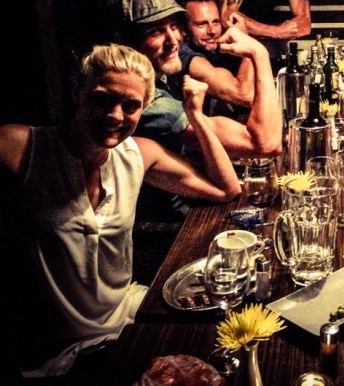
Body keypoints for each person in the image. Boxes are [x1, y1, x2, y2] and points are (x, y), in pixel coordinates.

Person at [0, 43, 240, 378]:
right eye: (102, 99)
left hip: (126, 316)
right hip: (50, 354)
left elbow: (227, 188)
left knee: (230, 342)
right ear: (77, 92)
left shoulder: (137, 154)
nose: (115, 115)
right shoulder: (21, 147)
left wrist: (196, 115)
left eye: (131, 106)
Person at [109, 0, 282, 159]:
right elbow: (264, 144)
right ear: (124, 42)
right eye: (155, 32)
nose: (173, 40)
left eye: (174, 26)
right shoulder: (143, 101)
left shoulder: (158, 72)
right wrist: (258, 52)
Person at [182, 0, 254, 117]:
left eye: (216, 22)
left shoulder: (213, 50)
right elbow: (246, 96)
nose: (212, 31)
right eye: (202, 24)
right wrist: (247, 47)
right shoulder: (184, 55)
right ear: (184, 29)